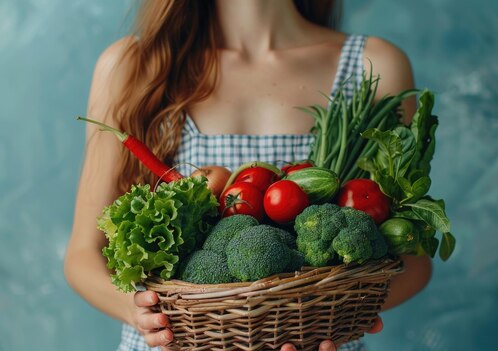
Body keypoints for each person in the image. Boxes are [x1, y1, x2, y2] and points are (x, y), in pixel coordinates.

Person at [64, 1, 433, 350]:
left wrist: (347, 312)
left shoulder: (373, 65)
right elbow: (82, 255)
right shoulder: (133, 66)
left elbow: (414, 259)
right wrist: (137, 309)